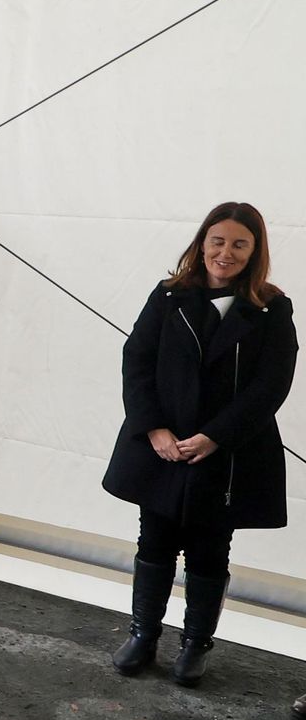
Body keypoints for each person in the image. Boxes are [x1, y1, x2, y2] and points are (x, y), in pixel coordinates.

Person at [102, 202, 296, 687]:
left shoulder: (272, 307)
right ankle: (143, 635)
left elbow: (273, 384)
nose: (225, 253)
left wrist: (216, 436)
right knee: (155, 540)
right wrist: (154, 430)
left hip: (226, 453)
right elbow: (137, 361)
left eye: (238, 244)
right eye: (217, 240)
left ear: (255, 251)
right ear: (202, 242)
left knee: (211, 550)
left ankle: (195, 646)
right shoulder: (169, 295)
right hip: (164, 447)